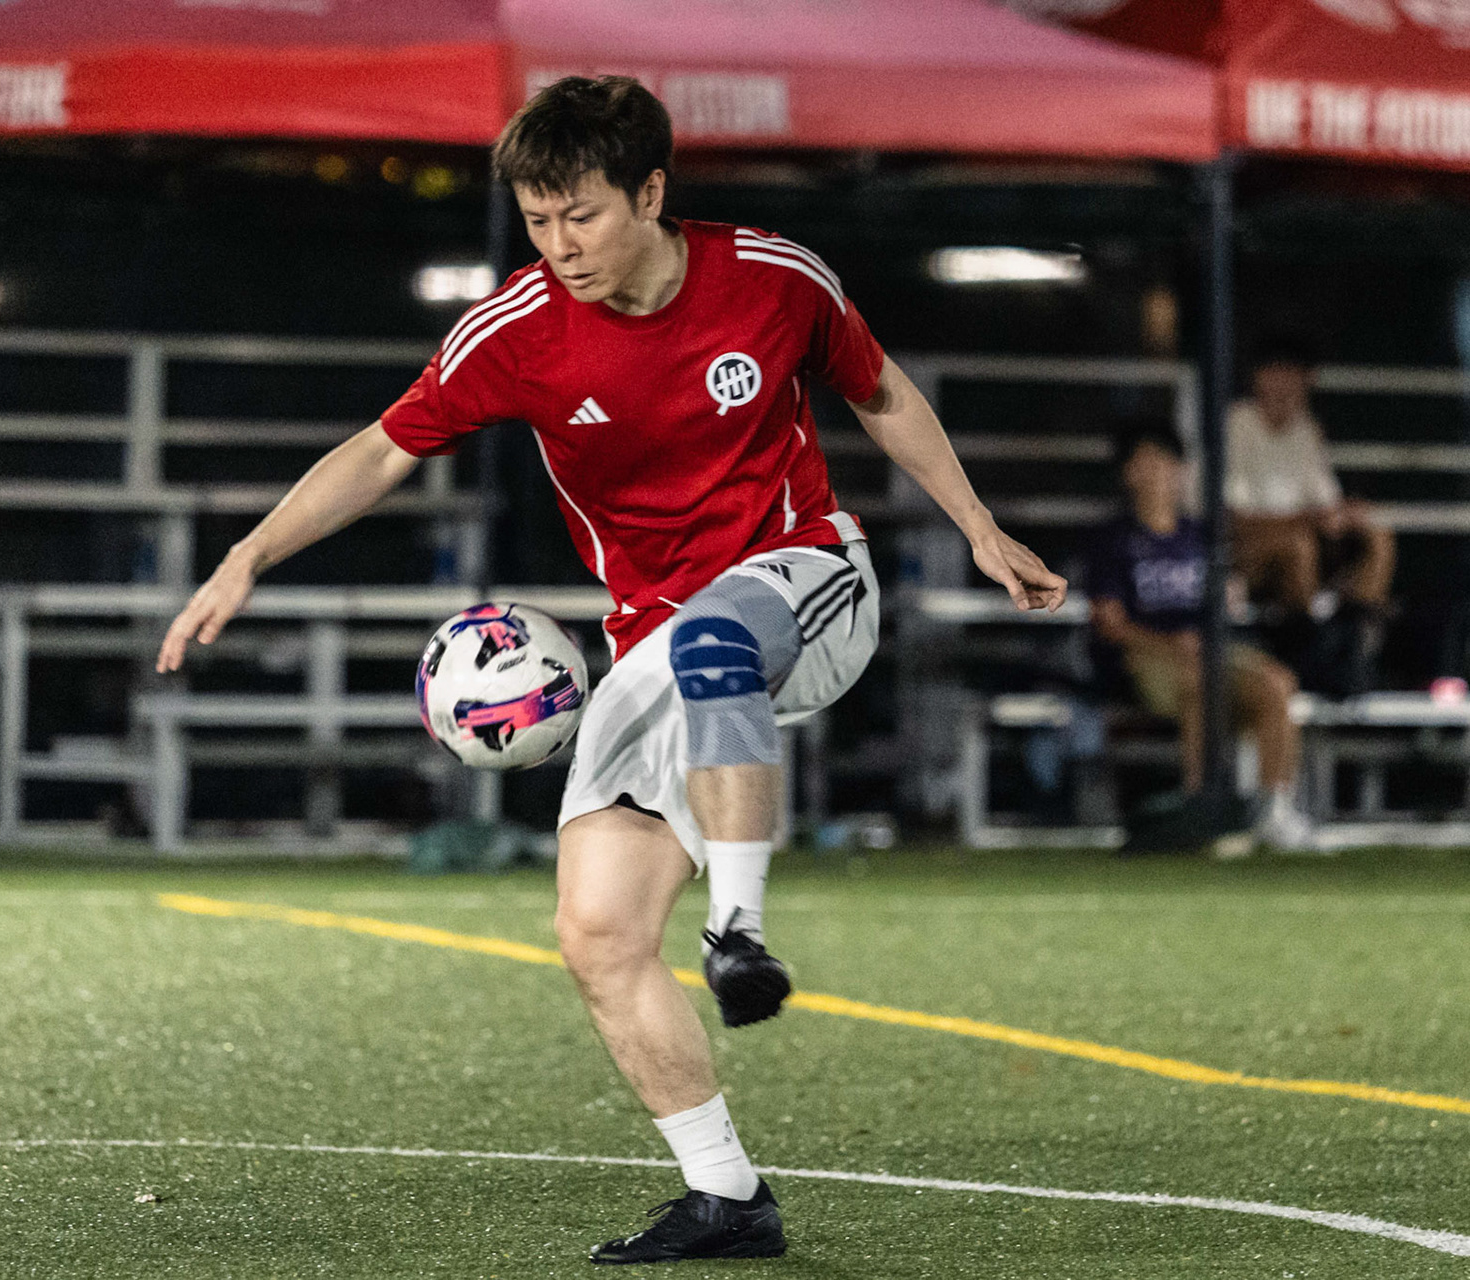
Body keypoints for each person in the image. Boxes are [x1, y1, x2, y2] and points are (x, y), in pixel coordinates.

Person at [155, 77, 1066, 1265]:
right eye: (538, 220)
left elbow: (879, 390)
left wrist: (981, 527)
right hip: (655, 641)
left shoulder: (775, 278)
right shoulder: (519, 333)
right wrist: (249, 553)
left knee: (712, 639)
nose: (560, 244)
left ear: (651, 191)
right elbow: (383, 449)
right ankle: (728, 1195)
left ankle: (738, 927)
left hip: (806, 579)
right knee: (595, 931)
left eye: (581, 213)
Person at [1089, 419, 1311, 850]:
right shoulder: (1114, 539)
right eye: (1147, 461)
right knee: (1198, 683)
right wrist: (1168, 644)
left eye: (1168, 461)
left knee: (1277, 685)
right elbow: (1109, 623)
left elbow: (1227, 599)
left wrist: (1229, 599)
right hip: (1147, 657)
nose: (1159, 473)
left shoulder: (1200, 537)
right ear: (1128, 472)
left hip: (1208, 651)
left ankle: (1273, 810)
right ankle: (1202, 809)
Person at [1226, 340, 1394, 692]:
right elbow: (1235, 517)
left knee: (1377, 536)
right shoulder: (1235, 426)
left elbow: (1324, 502)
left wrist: (1346, 515)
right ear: (1258, 377)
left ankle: (1353, 644)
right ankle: (1306, 656)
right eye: (1277, 373)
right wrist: (1309, 521)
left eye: (1295, 375)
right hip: (1243, 555)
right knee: (1299, 546)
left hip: (1304, 547)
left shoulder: (1306, 429)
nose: (1286, 385)